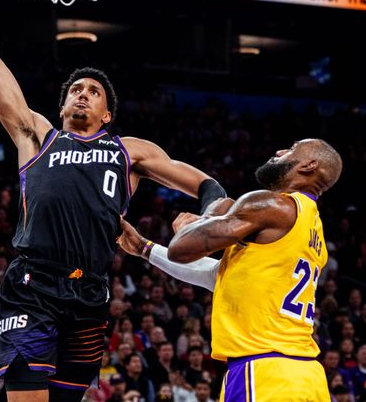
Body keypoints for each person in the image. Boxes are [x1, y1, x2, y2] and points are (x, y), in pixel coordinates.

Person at [0, 0, 226, 402]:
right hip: (32, 284)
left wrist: (208, 216)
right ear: (62, 105)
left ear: (107, 114)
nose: (82, 93)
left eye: (93, 92)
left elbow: (207, 186)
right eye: (76, 89)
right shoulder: (37, 136)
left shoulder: (130, 151)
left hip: (90, 291)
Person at [117, 138, 343, 401]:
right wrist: (144, 248)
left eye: (292, 149)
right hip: (306, 376)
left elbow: (181, 248)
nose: (280, 151)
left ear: (309, 165)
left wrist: (199, 220)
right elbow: (220, 277)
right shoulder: (314, 233)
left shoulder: (272, 205)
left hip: (265, 372)